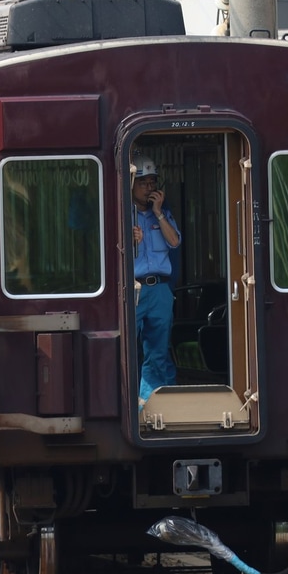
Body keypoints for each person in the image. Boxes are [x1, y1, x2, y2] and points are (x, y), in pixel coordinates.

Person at [131, 156, 182, 404]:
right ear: (131, 184)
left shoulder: (163, 215)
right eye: (143, 183)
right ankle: (130, 404)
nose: (149, 188)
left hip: (160, 289)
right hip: (133, 289)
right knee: (126, 348)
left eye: (152, 182)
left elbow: (174, 242)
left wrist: (159, 213)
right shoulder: (123, 214)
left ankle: (153, 403)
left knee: (158, 351)